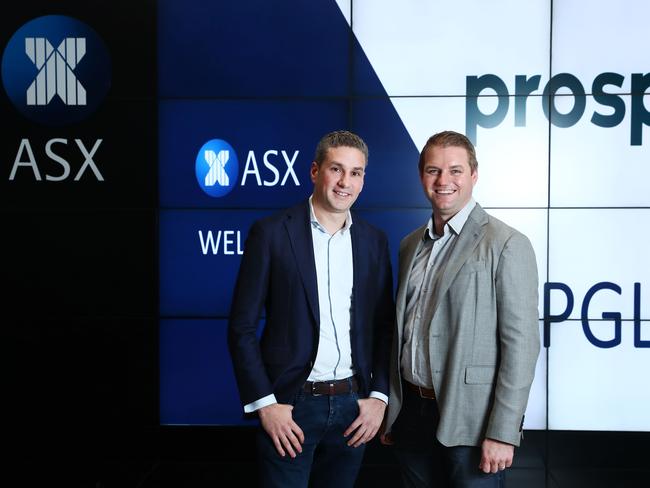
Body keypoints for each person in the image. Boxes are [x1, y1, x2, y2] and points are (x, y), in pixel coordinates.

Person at [228, 130, 394, 488]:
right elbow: (241, 327)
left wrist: (379, 397)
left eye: (356, 172)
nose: (345, 181)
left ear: (363, 180)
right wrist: (265, 404)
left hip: (354, 408)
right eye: (337, 169)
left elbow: (384, 326)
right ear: (315, 171)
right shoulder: (271, 233)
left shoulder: (374, 241)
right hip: (292, 406)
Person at [382, 130, 540, 487]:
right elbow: (402, 330)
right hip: (410, 414)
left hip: (473, 421)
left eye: (455, 170)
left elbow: (523, 345)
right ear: (421, 176)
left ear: (474, 175)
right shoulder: (411, 244)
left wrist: (503, 431)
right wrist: (392, 410)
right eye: (433, 171)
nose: (444, 181)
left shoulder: (507, 244)